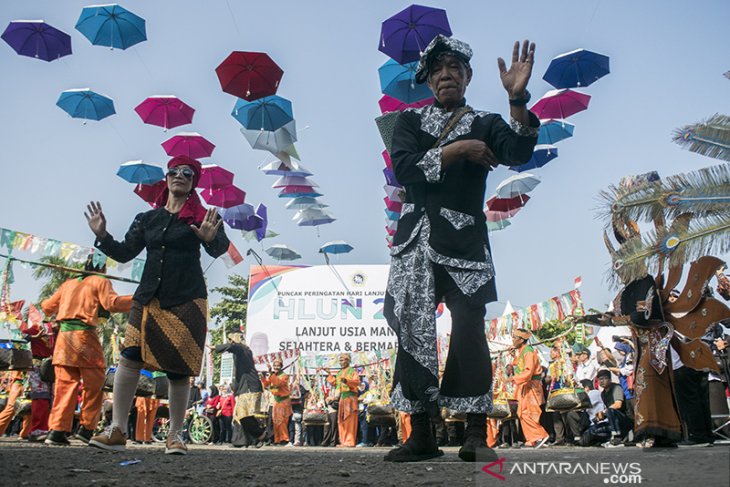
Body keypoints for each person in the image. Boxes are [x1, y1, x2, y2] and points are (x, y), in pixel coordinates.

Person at [383, 34, 539, 464]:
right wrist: (458, 150)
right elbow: (404, 169)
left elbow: (520, 150)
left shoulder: (488, 122)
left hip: (467, 243)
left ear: (468, 77)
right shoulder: (408, 123)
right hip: (415, 243)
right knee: (413, 332)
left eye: (454, 68)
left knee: (469, 327)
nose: (446, 75)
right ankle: (421, 433)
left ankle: (474, 431)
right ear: (429, 81)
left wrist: (518, 97)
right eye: (438, 70)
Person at [85, 155, 229, 455]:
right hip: (148, 296)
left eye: (187, 173)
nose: (180, 175)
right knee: (129, 357)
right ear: (166, 178)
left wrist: (208, 239)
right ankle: (117, 430)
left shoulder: (202, 216)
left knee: (178, 370)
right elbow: (124, 253)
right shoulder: (146, 219)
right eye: (174, 171)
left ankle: (175, 436)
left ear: (193, 184)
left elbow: (220, 246)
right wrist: (102, 235)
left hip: (186, 298)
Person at [40, 257, 133, 446]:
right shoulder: (100, 281)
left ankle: (56, 431)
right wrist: (138, 298)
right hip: (84, 338)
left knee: (64, 386)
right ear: (103, 267)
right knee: (95, 384)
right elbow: (112, 303)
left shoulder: (68, 283)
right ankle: (86, 429)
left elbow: (47, 307)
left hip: (64, 340)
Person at [210, 331, 266, 447]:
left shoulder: (243, 350)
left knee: (242, 414)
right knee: (240, 415)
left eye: (230, 340)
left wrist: (216, 347)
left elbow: (233, 347)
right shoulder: (242, 351)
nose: (229, 342)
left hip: (249, 387)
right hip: (244, 388)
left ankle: (259, 434)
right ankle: (247, 440)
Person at [510, 329, 549, 448]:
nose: (512, 339)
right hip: (525, 385)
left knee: (529, 412)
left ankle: (540, 435)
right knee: (522, 412)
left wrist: (512, 379)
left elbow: (528, 371)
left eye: (514, 337)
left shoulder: (529, 352)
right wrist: (513, 355)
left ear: (521, 340)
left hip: (531, 385)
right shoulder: (523, 351)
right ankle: (532, 439)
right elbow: (519, 364)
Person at [326, 353, 360, 447]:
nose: (342, 362)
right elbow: (336, 384)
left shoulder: (353, 371)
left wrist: (347, 381)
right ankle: (343, 441)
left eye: (344, 359)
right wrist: (329, 374)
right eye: (340, 360)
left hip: (350, 399)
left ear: (348, 361)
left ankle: (350, 441)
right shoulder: (340, 373)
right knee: (341, 421)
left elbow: (356, 383)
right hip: (342, 399)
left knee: (350, 421)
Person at [596, 369, 632, 447]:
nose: (602, 381)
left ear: (610, 379)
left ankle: (617, 438)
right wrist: (600, 416)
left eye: (605, 378)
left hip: (625, 419)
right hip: (614, 419)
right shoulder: (603, 394)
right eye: (600, 379)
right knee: (595, 428)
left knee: (610, 411)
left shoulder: (616, 388)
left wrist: (604, 411)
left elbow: (618, 405)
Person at [262, 358, 293, 445]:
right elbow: (266, 385)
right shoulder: (273, 375)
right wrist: (264, 376)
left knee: (282, 421)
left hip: (283, 400)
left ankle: (284, 439)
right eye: (275, 366)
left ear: (281, 366)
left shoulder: (284, 376)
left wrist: (271, 373)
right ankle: (277, 439)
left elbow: (278, 384)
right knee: (275, 421)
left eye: (278, 366)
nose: (276, 367)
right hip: (276, 400)